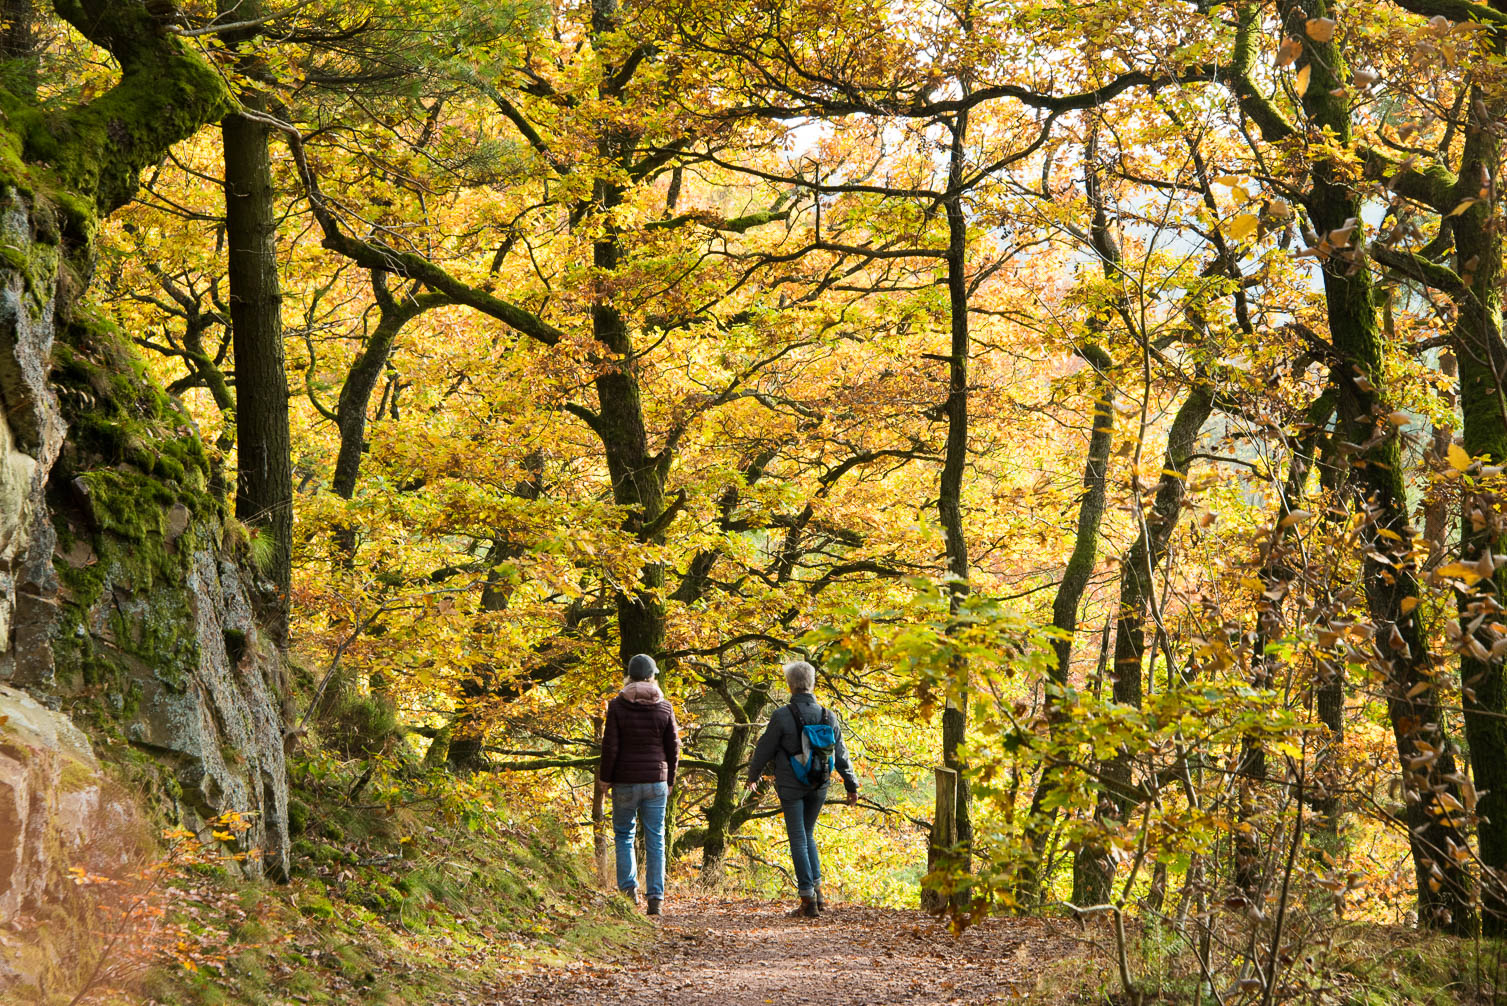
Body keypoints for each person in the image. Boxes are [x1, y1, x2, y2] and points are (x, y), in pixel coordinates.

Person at [745, 659, 859, 918]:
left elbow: (765, 748)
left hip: (790, 784)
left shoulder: (782, 715)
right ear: (812, 683)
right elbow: (841, 755)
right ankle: (818, 892)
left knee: (798, 836)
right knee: (808, 834)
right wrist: (851, 785)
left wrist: (753, 775)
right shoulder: (829, 716)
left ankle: (807, 898)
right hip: (819, 785)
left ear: (790, 685)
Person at [597, 653, 680, 916]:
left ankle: (628, 893)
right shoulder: (665, 707)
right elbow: (673, 747)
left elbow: (610, 746)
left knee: (624, 836)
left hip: (624, 780)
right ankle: (656, 898)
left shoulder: (617, 706)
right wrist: (670, 779)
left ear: (629, 677)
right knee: (656, 838)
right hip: (656, 780)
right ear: (653, 676)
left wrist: (605, 778)